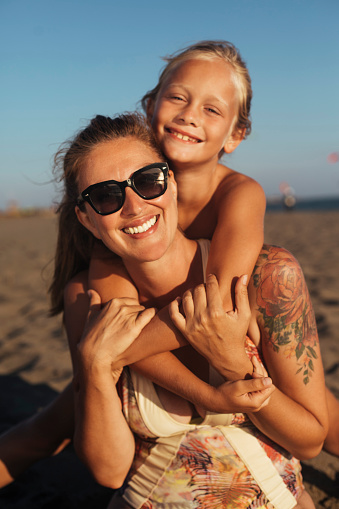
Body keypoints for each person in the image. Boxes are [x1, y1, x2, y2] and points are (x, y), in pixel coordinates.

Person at [67, 112, 326, 507]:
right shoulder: (87, 300)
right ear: (86, 218)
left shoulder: (266, 277)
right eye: (106, 196)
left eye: (147, 181)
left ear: (170, 183)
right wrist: (96, 368)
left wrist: (235, 365)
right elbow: (110, 471)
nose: (134, 206)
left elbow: (309, 442)